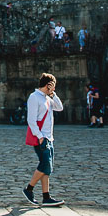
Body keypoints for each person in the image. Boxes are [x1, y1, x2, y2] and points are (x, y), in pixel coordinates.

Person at [22, 73, 65, 207]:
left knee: (46, 167)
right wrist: (40, 136)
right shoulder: (34, 97)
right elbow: (31, 120)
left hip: (49, 137)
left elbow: (60, 107)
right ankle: (29, 189)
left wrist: (53, 94)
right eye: (53, 86)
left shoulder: (48, 98)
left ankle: (46, 196)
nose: (54, 88)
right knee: (45, 164)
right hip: (41, 137)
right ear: (47, 85)